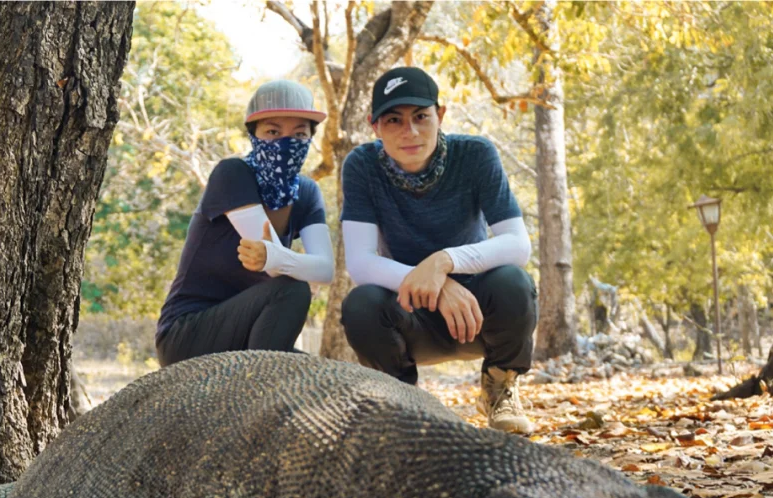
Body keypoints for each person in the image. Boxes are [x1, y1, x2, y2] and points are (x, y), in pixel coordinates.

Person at [340, 66, 537, 434]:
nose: (409, 131)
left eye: (420, 117)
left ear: (440, 115)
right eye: (394, 120)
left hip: (478, 312)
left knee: (514, 281)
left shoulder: (476, 155)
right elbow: (360, 262)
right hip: (411, 315)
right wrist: (437, 283)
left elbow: (518, 244)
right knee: (361, 303)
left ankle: (499, 386)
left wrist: (444, 262)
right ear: (374, 126)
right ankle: (402, 401)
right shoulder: (362, 166)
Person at [156, 80, 334, 366]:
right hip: (188, 333)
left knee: (327, 372)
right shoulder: (232, 174)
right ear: (254, 135)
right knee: (292, 289)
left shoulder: (307, 192)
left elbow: (325, 271)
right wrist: (281, 260)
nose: (285, 144)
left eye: (299, 134)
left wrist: (276, 257)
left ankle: (267, 376)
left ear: (311, 138)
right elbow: (284, 273)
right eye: (273, 132)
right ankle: (261, 387)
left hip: (253, 331)